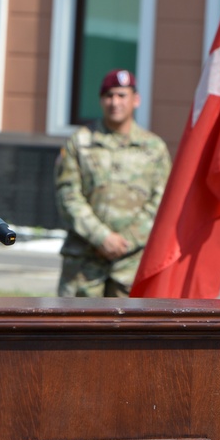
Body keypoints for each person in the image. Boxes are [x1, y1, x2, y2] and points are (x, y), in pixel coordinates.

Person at [54, 69, 171, 298]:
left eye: (121, 95)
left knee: (129, 333)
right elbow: (68, 196)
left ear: (135, 100)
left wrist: (126, 240)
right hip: (84, 265)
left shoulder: (154, 149)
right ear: (101, 100)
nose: (114, 102)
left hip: (132, 264)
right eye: (108, 96)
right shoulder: (80, 142)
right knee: (75, 332)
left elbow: (162, 203)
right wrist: (102, 237)